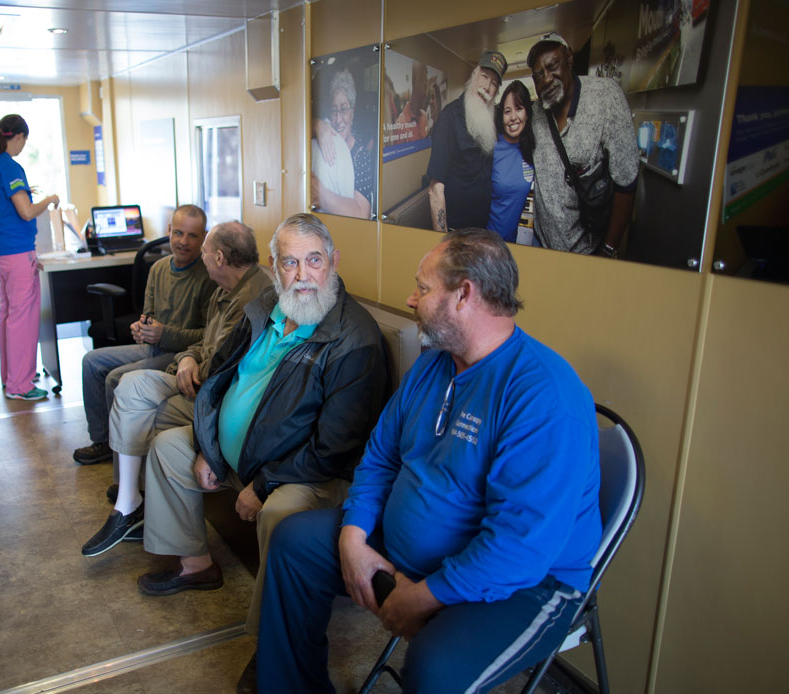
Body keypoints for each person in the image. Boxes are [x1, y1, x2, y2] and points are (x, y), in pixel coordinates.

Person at [257, 228, 602, 693]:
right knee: (295, 542)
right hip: (413, 553)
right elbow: (380, 457)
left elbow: (519, 548)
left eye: (422, 288)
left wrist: (422, 596)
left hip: (525, 584)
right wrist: (354, 538)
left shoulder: (544, 396)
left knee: (434, 670)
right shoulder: (434, 363)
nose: (411, 299)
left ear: (464, 295)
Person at [133, 213, 388, 685]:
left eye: (314, 260)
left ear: (333, 262)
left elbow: (335, 449)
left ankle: (272, 639)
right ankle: (195, 564)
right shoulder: (267, 304)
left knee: (280, 514)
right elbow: (219, 381)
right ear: (273, 266)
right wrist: (210, 447)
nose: (303, 274)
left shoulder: (354, 337)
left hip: (305, 473)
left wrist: (263, 483)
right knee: (169, 445)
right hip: (243, 456)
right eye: (290, 262)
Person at [79, 221, 273, 557]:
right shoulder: (223, 288)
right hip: (192, 375)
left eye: (205, 250)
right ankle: (129, 502)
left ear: (220, 257)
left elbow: (226, 371)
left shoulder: (255, 301)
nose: (200, 255)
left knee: (146, 413)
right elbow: (203, 342)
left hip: (215, 396)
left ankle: (137, 511)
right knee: (130, 385)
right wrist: (186, 360)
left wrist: (190, 361)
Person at [72, 204, 215, 465]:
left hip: (179, 354)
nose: (183, 241)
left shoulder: (207, 276)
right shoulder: (158, 268)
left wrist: (162, 334)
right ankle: (102, 441)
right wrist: (140, 328)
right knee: (91, 361)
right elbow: (148, 313)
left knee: (116, 378)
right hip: (153, 347)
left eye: (192, 235)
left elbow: (207, 336)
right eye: (178, 233)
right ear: (169, 231)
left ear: (204, 237)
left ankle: (124, 458)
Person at [527, 33, 639, 257]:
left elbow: (626, 183)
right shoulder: (536, 112)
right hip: (540, 243)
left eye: (552, 66)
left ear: (569, 59)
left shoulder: (605, 97)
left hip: (587, 251)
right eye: (538, 75)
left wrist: (608, 250)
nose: (546, 79)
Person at [0, 114, 59, 401]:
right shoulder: (9, 165)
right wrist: (48, 200)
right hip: (16, 249)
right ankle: (20, 385)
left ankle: (12, 375)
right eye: (25, 140)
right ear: (20, 137)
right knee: (22, 318)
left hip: (2, 248)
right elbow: (26, 212)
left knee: (8, 314)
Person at [426, 51, 508, 232]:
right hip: (455, 231)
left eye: (494, 83)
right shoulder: (449, 117)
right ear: (474, 76)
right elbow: (435, 188)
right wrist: (442, 240)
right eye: (484, 77)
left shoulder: (491, 121)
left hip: (481, 228)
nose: (487, 87)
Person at [311, 69, 374, 219]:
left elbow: (362, 213)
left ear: (352, 112)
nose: (338, 119)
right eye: (334, 111)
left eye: (344, 109)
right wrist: (316, 125)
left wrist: (321, 195)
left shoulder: (361, 156)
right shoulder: (321, 136)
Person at [487, 81, 536, 243]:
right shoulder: (491, 149)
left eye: (519, 109)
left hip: (512, 241)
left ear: (527, 113)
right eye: (507, 111)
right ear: (501, 117)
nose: (513, 117)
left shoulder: (532, 148)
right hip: (487, 241)